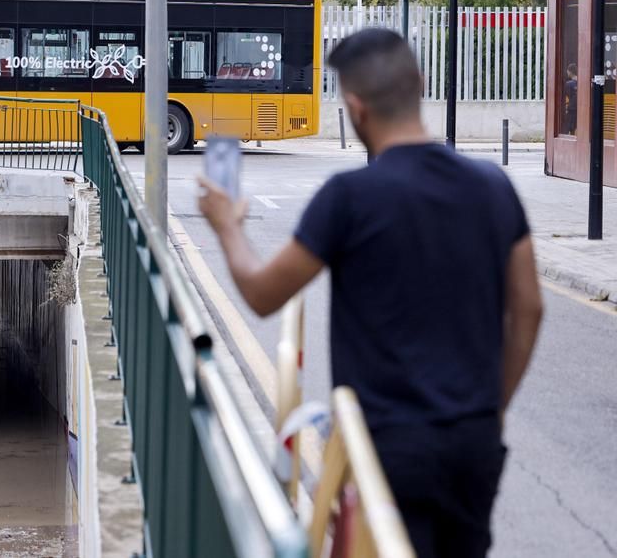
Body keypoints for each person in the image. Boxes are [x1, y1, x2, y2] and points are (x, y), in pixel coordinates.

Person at [198, 29, 542, 558]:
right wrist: (492, 408)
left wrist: (227, 226)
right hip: (472, 443)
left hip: (383, 448)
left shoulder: (348, 198)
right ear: (419, 86)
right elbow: (529, 308)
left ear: (355, 109)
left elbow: (264, 293)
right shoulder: (492, 185)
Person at [564, 62, 578, 135]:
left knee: (571, 127)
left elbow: (567, 97)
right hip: (580, 108)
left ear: (570, 71)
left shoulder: (568, 84)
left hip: (571, 108)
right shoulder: (582, 82)